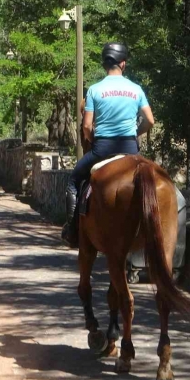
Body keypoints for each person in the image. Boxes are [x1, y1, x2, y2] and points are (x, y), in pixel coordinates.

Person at [61, 43, 155, 246]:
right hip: (130, 149)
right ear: (123, 64)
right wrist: (135, 133)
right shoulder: (136, 89)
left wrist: (94, 139)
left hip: (102, 149)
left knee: (74, 181)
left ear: (105, 64)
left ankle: (72, 229)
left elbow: (86, 126)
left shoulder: (95, 90)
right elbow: (150, 121)